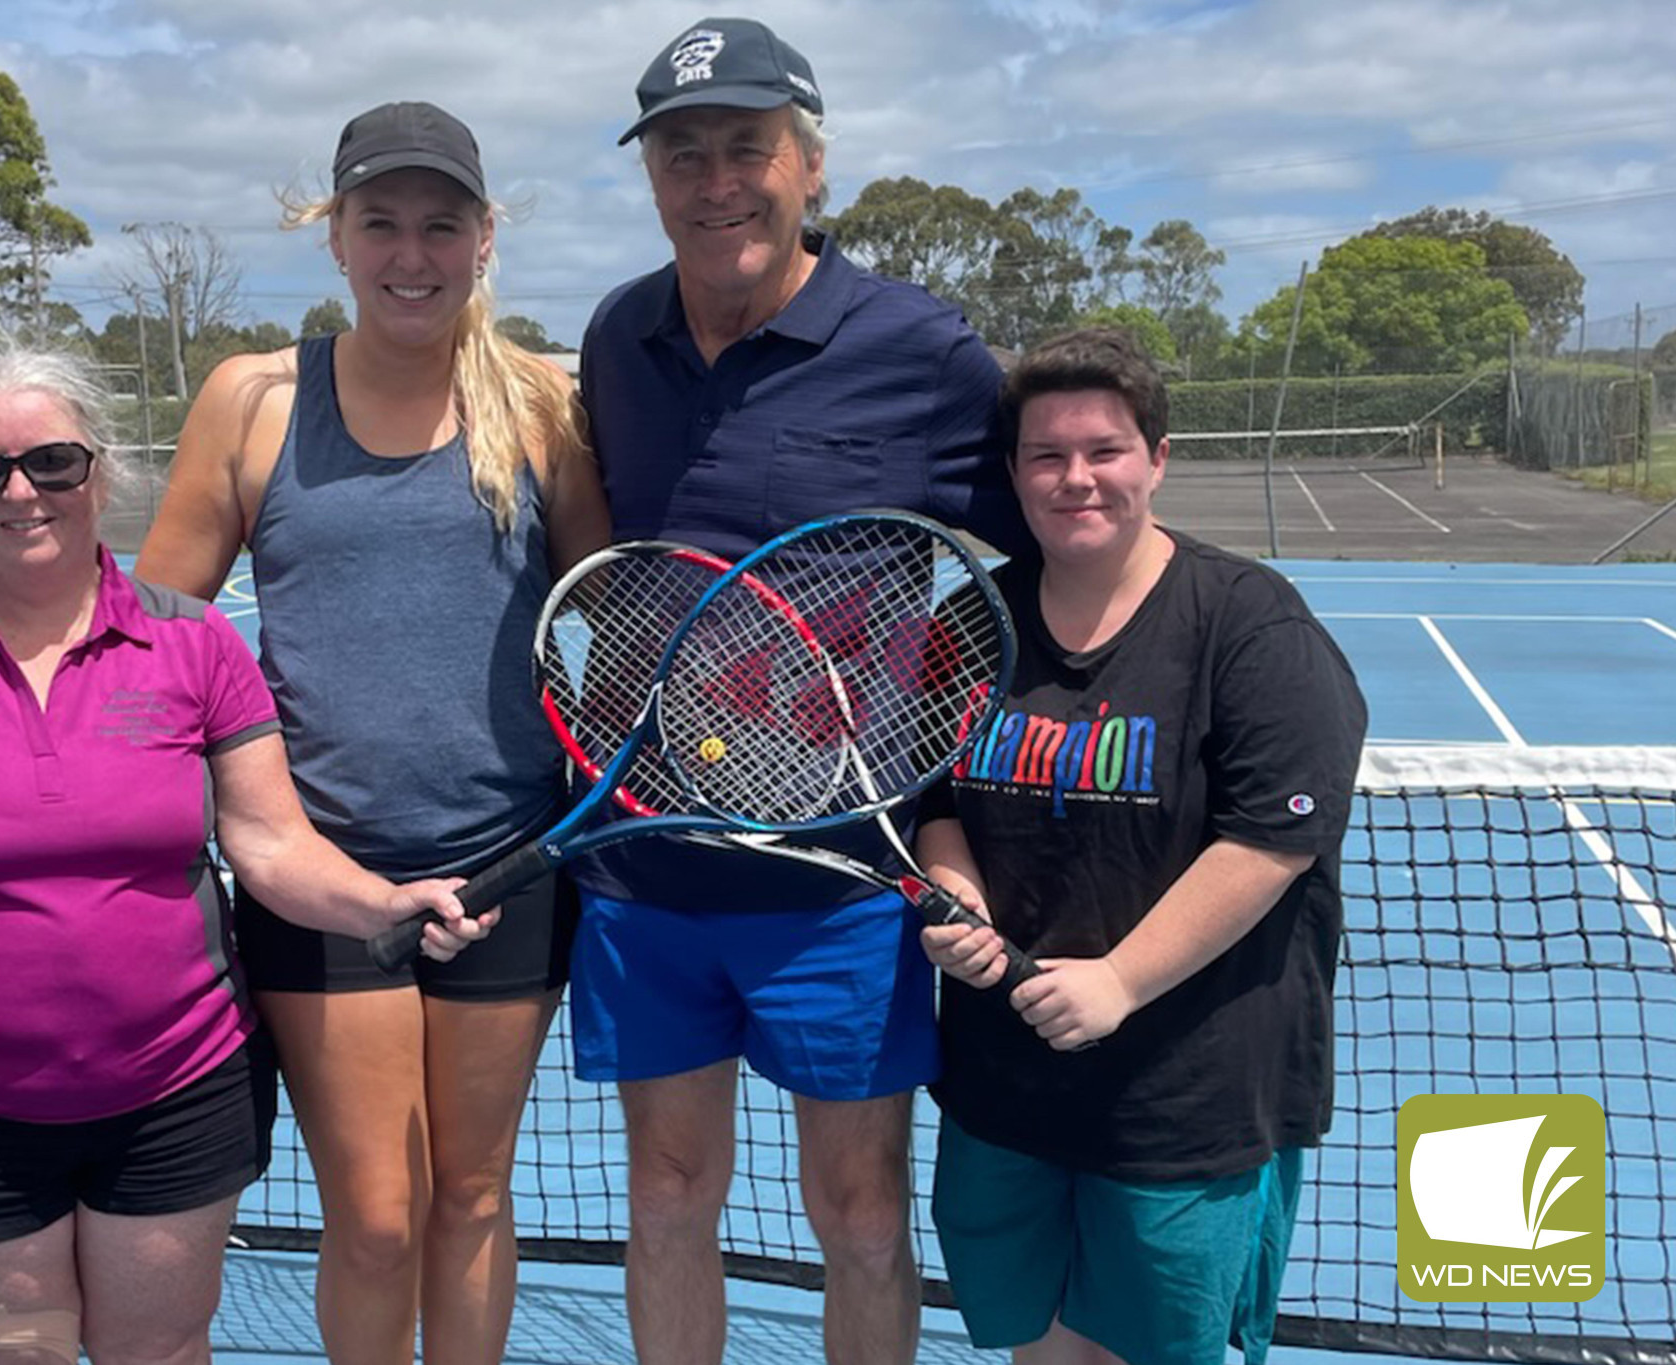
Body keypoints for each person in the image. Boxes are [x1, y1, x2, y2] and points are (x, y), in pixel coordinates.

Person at [0, 334, 490, 1365]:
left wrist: (383, 903)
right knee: (1, 1354)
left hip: (176, 1096)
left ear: (100, 471)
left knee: (159, 1352)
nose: (21, 492)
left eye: (52, 462)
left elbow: (271, 843)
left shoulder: (194, 643)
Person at [572, 18, 1032, 1365]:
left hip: (840, 878)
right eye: (684, 153)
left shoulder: (928, 356)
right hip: (644, 866)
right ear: (654, 177)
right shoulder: (616, 336)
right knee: (664, 1198)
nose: (717, 181)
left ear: (811, 165)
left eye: (747, 148)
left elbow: (1012, 593)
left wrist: (918, 760)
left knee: (863, 1214)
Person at [134, 102, 608, 1365]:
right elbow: (154, 636)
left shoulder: (544, 406)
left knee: (473, 1199)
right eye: (380, 223)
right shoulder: (253, 401)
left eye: (440, 225)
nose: (412, 253)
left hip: (509, 872)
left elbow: (604, 618)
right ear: (333, 236)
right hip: (319, 881)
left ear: (483, 238)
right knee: (379, 1222)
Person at [915, 327, 1367, 1365]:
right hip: (1004, 1085)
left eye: (1103, 450)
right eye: (1045, 455)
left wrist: (1117, 981)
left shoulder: (1252, 628)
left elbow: (1269, 844)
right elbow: (930, 794)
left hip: (1180, 1099)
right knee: (1040, 1348)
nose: (1075, 478)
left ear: (1155, 458)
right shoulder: (967, 623)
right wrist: (956, 900)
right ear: (1014, 473)